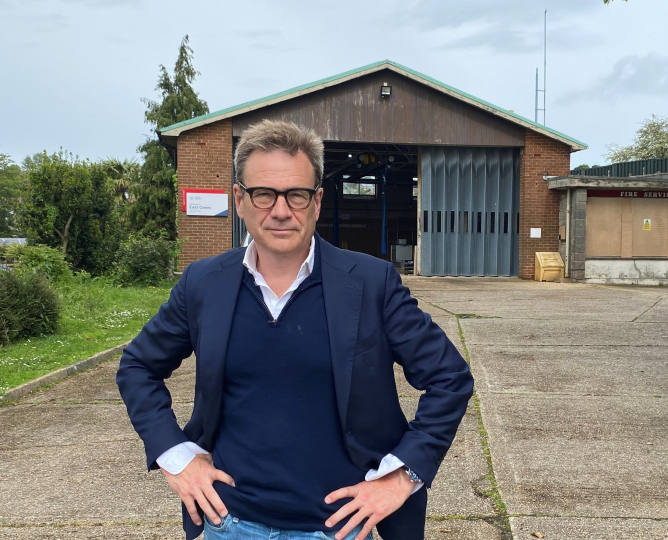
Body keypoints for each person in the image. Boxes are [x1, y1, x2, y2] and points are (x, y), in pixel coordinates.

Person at [116, 120, 473, 540]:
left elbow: (450, 378)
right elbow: (138, 366)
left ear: (317, 201)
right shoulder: (204, 284)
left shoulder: (372, 283)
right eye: (263, 194)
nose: (281, 211)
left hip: (341, 530)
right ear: (239, 199)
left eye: (296, 195)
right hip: (228, 524)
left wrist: (400, 477)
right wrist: (174, 457)